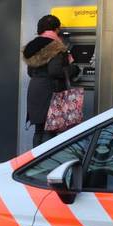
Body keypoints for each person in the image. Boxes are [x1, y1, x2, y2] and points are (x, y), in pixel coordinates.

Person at [23, 14, 80, 148]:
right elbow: (55, 71)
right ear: (56, 29)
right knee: (50, 130)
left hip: (35, 89)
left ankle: (35, 164)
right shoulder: (55, 47)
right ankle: (47, 165)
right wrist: (74, 69)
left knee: (39, 130)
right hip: (50, 91)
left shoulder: (33, 47)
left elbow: (30, 72)